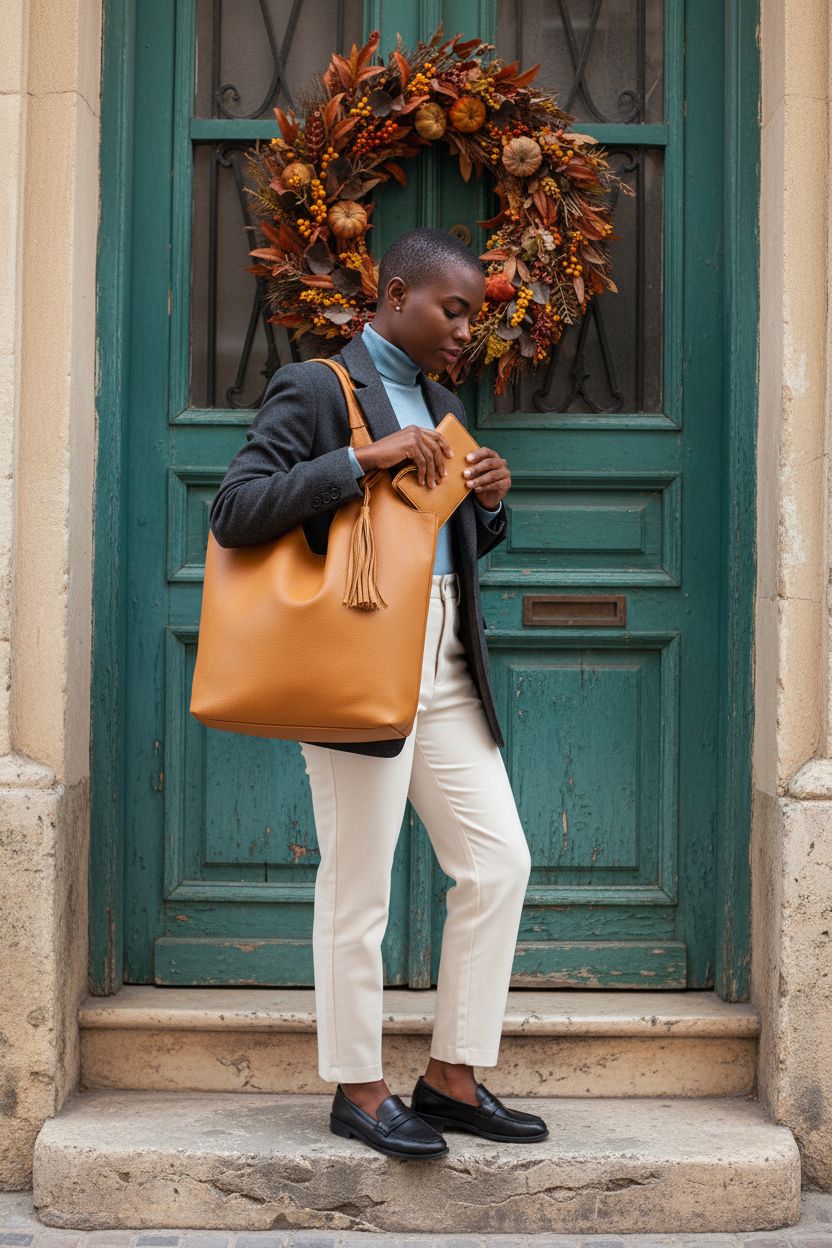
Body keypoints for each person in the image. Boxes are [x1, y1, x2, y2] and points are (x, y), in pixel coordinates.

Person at [210, 226, 546, 1160]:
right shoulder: (320, 387)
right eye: (454, 309)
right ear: (395, 294)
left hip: (441, 657)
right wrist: (364, 459)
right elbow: (235, 509)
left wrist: (487, 504)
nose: (464, 331)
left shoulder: (443, 400)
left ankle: (451, 1077)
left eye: (473, 314)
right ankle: (359, 1090)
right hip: (355, 658)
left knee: (498, 862)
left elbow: (442, 547)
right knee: (358, 886)